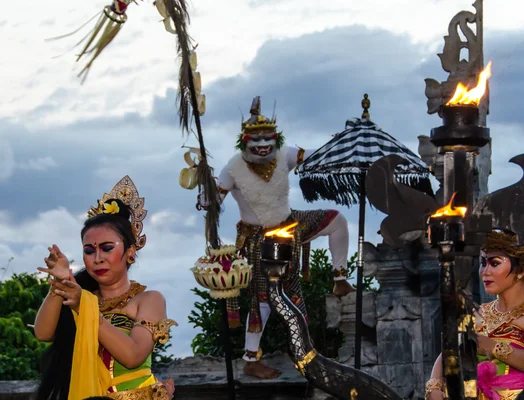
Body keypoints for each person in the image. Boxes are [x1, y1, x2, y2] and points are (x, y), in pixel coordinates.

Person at [204, 96, 355, 379]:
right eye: (255, 141)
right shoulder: (232, 169)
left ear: (276, 138)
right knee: (263, 298)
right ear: (244, 142)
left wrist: (342, 146)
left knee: (337, 220)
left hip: (291, 224)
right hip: (258, 238)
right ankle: (251, 358)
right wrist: (207, 197)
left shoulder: (285, 154)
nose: (262, 146)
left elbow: (315, 154)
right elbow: (214, 200)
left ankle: (340, 280)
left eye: (267, 140)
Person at [34, 176, 177, 400]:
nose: (97, 258)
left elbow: (132, 356)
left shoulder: (148, 300)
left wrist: (85, 307)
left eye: (107, 248)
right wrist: (59, 285)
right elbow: (43, 333)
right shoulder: (81, 297)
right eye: (89, 251)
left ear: (130, 252)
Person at [426, 209, 524, 400]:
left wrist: (491, 347)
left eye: (494, 263)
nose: (484, 272)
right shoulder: (478, 313)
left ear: (522, 269)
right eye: (483, 263)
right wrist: (435, 387)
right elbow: (449, 353)